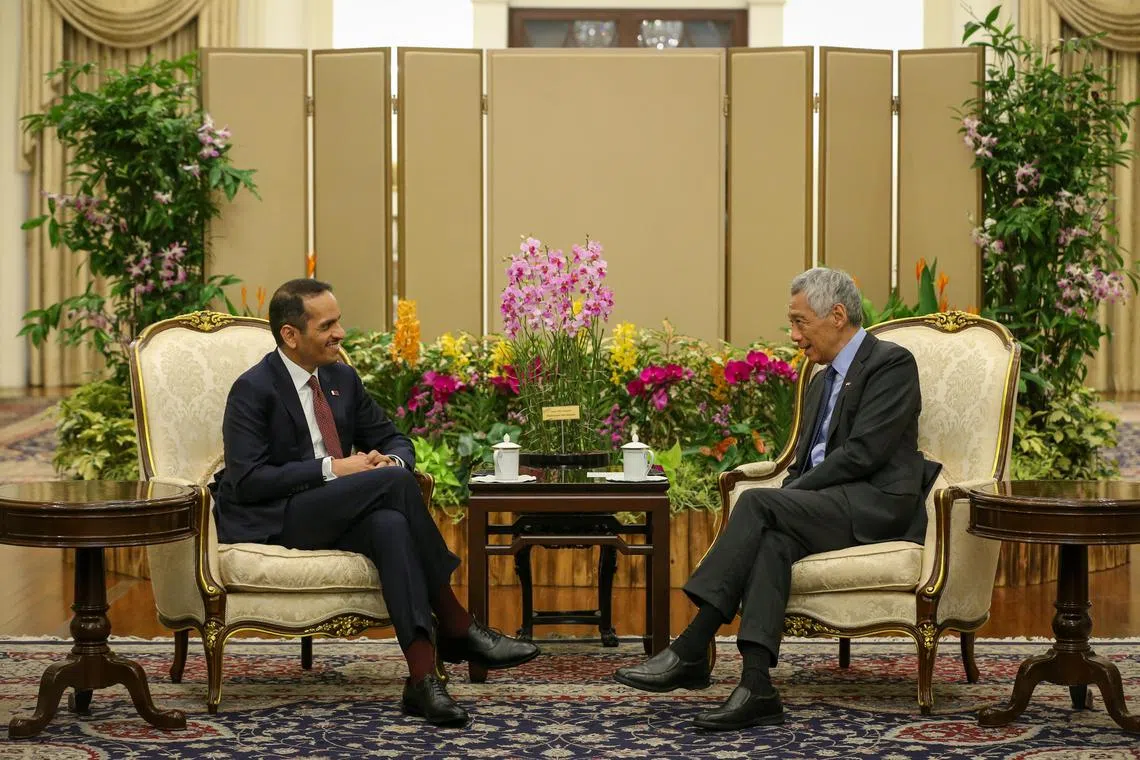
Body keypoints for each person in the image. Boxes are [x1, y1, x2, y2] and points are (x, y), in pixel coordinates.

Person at [613, 267, 940, 730]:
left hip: (877, 505)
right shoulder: (820, 380)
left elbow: (864, 454)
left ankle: (692, 646)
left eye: (799, 322)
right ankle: (756, 687)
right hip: (828, 507)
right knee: (772, 542)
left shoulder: (891, 363)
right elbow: (807, 462)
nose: (793, 336)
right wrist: (793, 497)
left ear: (838, 315)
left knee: (758, 505)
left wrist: (789, 496)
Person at [212, 278, 538, 726]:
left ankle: (423, 680)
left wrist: (389, 459)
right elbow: (247, 481)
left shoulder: (341, 378)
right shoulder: (253, 389)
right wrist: (334, 468)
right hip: (277, 516)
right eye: (327, 325)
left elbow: (394, 439)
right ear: (290, 335)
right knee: (393, 488)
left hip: (338, 510)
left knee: (391, 522)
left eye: (339, 321)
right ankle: (457, 623)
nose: (340, 333)